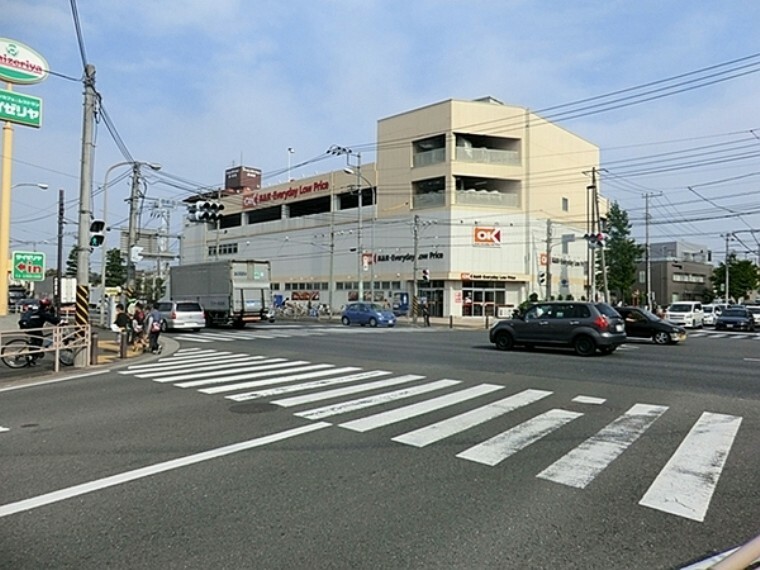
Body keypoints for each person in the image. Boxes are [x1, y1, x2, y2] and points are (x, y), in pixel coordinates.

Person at [18, 298, 61, 365]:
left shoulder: (38, 310)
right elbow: (51, 318)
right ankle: (32, 357)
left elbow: (50, 317)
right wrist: (60, 321)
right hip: (32, 328)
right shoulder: (42, 312)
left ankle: (33, 357)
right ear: (47, 306)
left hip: (26, 326)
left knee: (36, 340)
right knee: (38, 340)